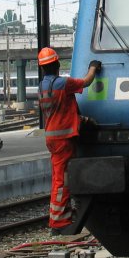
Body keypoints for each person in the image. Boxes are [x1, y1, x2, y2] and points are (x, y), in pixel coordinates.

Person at [38, 46, 101, 235]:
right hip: (63, 139)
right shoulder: (63, 84)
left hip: (52, 137)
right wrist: (93, 68)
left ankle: (61, 216)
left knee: (58, 178)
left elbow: (61, 111)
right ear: (57, 64)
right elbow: (86, 82)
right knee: (61, 180)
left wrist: (80, 120)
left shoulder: (42, 87)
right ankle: (58, 223)